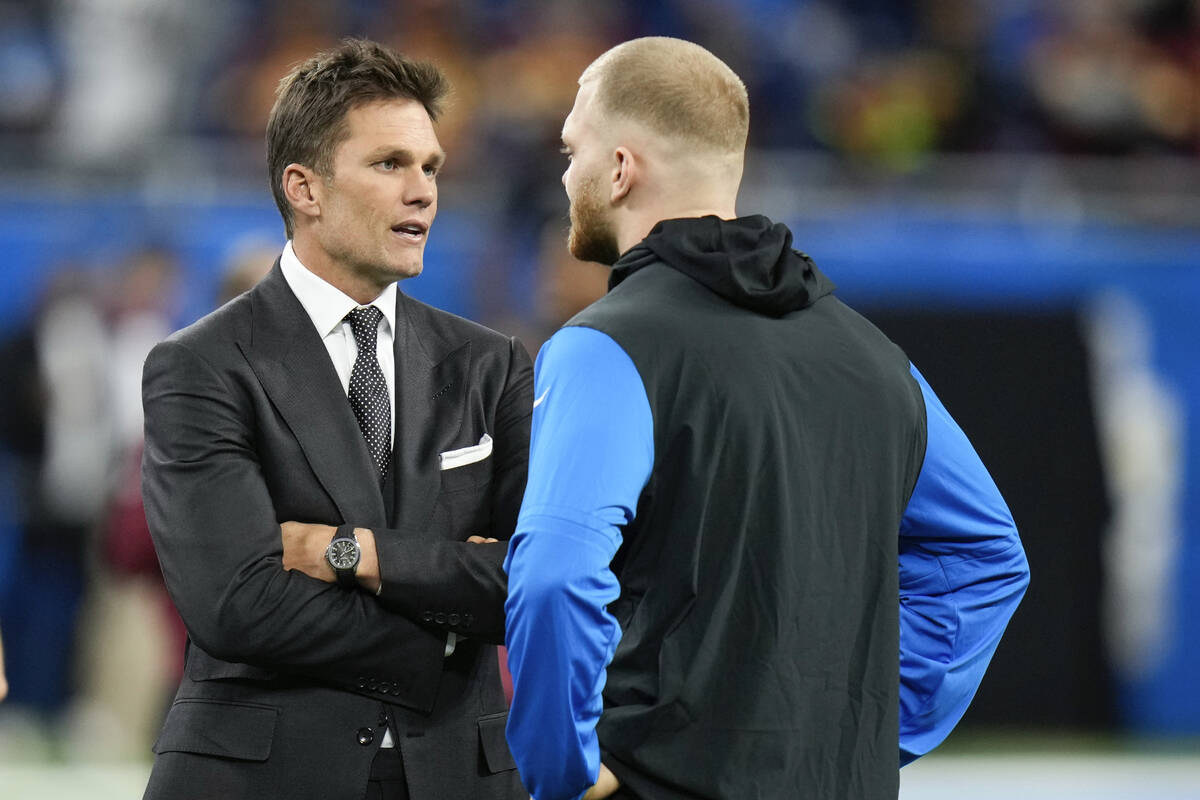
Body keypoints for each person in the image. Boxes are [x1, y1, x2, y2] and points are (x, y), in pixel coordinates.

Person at [503, 37, 1030, 800]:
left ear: (619, 168)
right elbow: (985, 557)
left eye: (572, 148)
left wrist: (563, 771)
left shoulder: (602, 347)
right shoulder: (877, 358)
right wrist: (871, 727)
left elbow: (554, 578)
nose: (564, 173)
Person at [141, 39, 531, 799]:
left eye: (431, 167)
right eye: (390, 164)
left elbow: (530, 583)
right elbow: (237, 605)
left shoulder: (493, 364)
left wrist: (352, 553)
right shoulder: (202, 364)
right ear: (305, 189)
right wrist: (448, 635)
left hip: (459, 776)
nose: (422, 191)